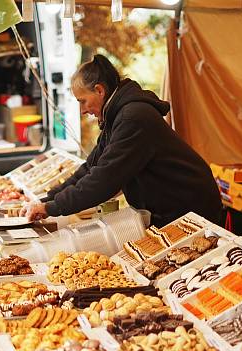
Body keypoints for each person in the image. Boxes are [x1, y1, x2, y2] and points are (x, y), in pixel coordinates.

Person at [22, 54, 221, 228]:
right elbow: (90, 168)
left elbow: (104, 180)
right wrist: (46, 201)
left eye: (83, 101)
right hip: (171, 208)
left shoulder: (133, 118)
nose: (83, 110)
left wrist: (52, 208)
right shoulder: (116, 117)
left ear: (100, 90)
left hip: (189, 208)